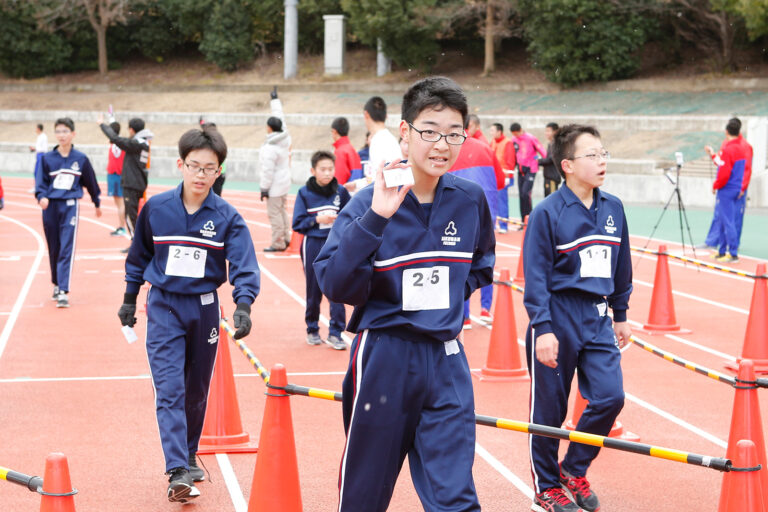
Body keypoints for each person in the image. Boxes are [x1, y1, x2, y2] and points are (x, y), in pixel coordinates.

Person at [314, 76, 495, 512]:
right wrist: (377, 217)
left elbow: (481, 265)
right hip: (385, 357)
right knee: (365, 491)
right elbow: (336, 284)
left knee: (456, 495)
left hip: (447, 359)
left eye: (454, 133)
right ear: (404, 131)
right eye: (429, 131)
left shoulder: (470, 199)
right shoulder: (370, 200)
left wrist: (451, 298)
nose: (442, 144)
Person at [116, 125, 260, 503]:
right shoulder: (156, 209)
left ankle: (189, 453)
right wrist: (130, 300)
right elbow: (139, 257)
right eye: (193, 166)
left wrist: (244, 305)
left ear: (218, 172)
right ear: (180, 165)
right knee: (170, 388)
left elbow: (245, 265)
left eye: (208, 168)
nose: (200, 174)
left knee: (196, 390)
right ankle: (177, 469)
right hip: (163, 305)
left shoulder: (228, 218)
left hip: (204, 308)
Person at [523, 124, 632, 512]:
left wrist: (620, 314)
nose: (602, 161)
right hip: (556, 315)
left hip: (598, 316)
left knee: (610, 397)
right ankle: (546, 486)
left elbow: (622, 267)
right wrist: (544, 328)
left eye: (604, 153)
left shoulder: (614, 208)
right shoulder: (546, 214)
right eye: (592, 155)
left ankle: (573, 468)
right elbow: (534, 277)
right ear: (567, 165)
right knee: (549, 411)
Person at [34, 117, 102, 308]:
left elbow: (91, 182)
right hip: (50, 207)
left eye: (65, 131)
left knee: (66, 247)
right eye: (58, 131)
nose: (61, 135)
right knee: (54, 247)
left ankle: (63, 290)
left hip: (70, 205)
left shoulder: (80, 159)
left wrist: (96, 202)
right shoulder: (47, 159)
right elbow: (40, 183)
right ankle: (56, 284)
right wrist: (41, 197)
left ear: (73, 134)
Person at [292, 150, 351, 350]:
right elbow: (297, 223)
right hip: (313, 245)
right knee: (314, 289)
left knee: (337, 288)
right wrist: (317, 219)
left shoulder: (340, 192)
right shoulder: (304, 193)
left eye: (330, 169)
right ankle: (312, 328)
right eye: (323, 169)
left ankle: (336, 332)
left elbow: (351, 216)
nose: (327, 173)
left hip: (335, 245)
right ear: (313, 170)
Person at [449, 130, 504, 328]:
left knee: (459, 260)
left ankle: (464, 315)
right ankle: (485, 308)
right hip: (486, 211)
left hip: (457, 213)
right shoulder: (486, 148)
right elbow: (500, 181)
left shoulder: (446, 148)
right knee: (486, 258)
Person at [699, 117, 753, 262]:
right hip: (735, 188)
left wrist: (715, 185)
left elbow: (724, 172)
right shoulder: (742, 148)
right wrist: (712, 154)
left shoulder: (729, 149)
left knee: (728, 222)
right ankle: (722, 251)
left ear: (726, 131)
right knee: (724, 220)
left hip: (727, 189)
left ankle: (733, 253)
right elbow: (724, 164)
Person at [97, 113, 153, 237]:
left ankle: (135, 245)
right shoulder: (144, 142)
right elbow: (118, 140)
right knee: (134, 215)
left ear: (131, 130)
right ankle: (136, 244)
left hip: (132, 184)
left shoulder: (136, 143)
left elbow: (117, 139)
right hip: (137, 182)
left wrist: (101, 124)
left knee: (131, 216)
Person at [345, 96, 403, 194]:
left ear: (366, 114)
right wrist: (356, 184)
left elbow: (381, 180)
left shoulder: (379, 141)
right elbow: (377, 176)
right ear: (386, 116)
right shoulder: (388, 139)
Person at [259, 86, 293, 252]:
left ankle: (278, 242)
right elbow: (280, 116)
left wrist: (264, 189)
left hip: (274, 185)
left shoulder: (270, 148)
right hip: (285, 181)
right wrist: (275, 100)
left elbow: (267, 171)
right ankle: (286, 238)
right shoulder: (285, 136)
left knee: (274, 214)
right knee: (282, 210)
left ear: (269, 128)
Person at [510, 122, 546, 228]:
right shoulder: (514, 140)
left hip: (531, 169)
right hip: (520, 171)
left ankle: (530, 220)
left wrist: (536, 160)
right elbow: (514, 154)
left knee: (526, 194)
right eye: (514, 134)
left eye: (516, 133)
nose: (515, 136)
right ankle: (523, 221)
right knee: (521, 195)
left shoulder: (531, 138)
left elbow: (543, 152)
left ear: (520, 130)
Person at [489, 122, 517, 232]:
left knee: (502, 201)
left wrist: (507, 177)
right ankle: (493, 224)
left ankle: (504, 225)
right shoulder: (493, 142)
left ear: (499, 131)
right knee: (492, 200)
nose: (491, 133)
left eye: (492, 130)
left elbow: (511, 162)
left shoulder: (508, 143)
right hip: (493, 176)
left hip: (503, 177)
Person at [105, 121, 127, 236]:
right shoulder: (118, 143)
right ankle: (122, 226)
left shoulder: (119, 143)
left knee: (120, 203)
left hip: (117, 175)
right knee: (119, 203)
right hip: (114, 174)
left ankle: (122, 227)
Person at [330, 117, 362, 185]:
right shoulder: (351, 149)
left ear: (334, 131)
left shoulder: (340, 152)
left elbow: (339, 179)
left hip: (346, 192)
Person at [200, 121, 227, 196]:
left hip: (216, 172)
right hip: (218, 172)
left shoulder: (213, 142)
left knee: (213, 196)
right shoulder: (218, 140)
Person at [539, 122, 562, 197]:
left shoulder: (555, 143)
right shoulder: (551, 143)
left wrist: (538, 161)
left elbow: (550, 159)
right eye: (546, 131)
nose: (546, 133)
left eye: (548, 131)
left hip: (552, 177)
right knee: (548, 199)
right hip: (548, 176)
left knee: (552, 200)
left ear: (555, 131)